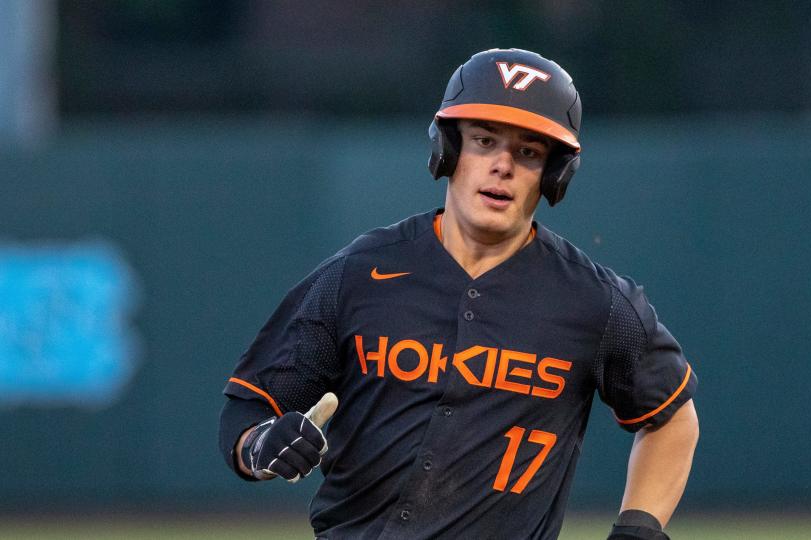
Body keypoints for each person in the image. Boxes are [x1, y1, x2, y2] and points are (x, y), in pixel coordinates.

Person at [219, 48, 699, 540]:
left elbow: (672, 416)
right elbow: (248, 410)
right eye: (484, 141)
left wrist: (638, 530)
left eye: (529, 153)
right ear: (448, 151)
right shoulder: (359, 275)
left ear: (554, 176)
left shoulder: (594, 303)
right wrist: (262, 446)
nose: (503, 166)